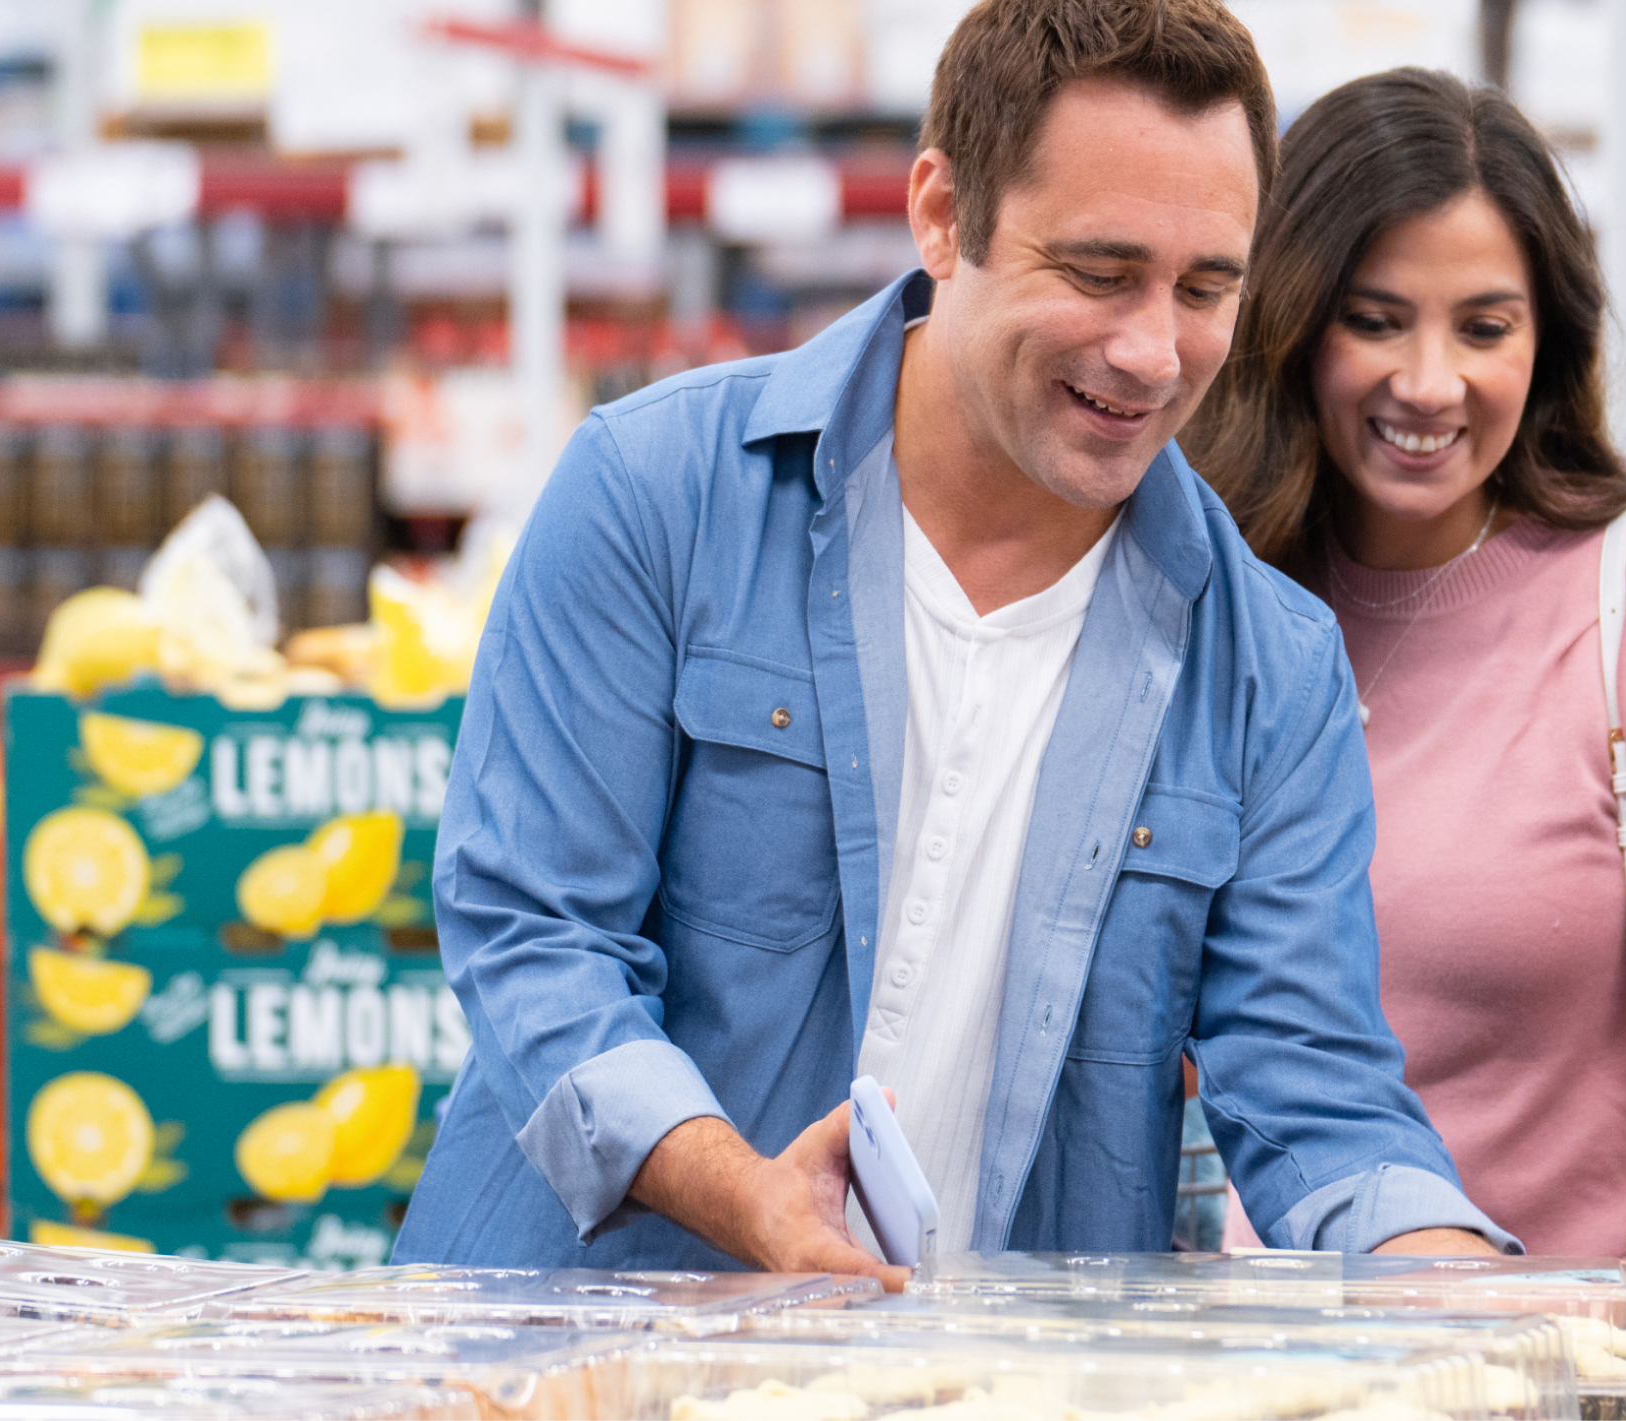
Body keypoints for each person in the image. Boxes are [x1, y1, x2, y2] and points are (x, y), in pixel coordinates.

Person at [391, 0, 1511, 1275]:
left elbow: (1313, 1085)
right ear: (942, 213)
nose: (1153, 351)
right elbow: (538, 931)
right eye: (1098, 272)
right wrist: (738, 1189)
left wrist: (1467, 1285)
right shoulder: (658, 495)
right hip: (583, 1363)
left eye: (1207, 288)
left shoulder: (1269, 668)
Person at [1183, 68, 1626, 1362]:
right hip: (1274, 1369)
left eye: (1483, 327)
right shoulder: (1217, 612)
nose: (1430, 382)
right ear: (1291, 323)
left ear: (1550, 339)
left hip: (1574, 1368)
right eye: (1377, 320)